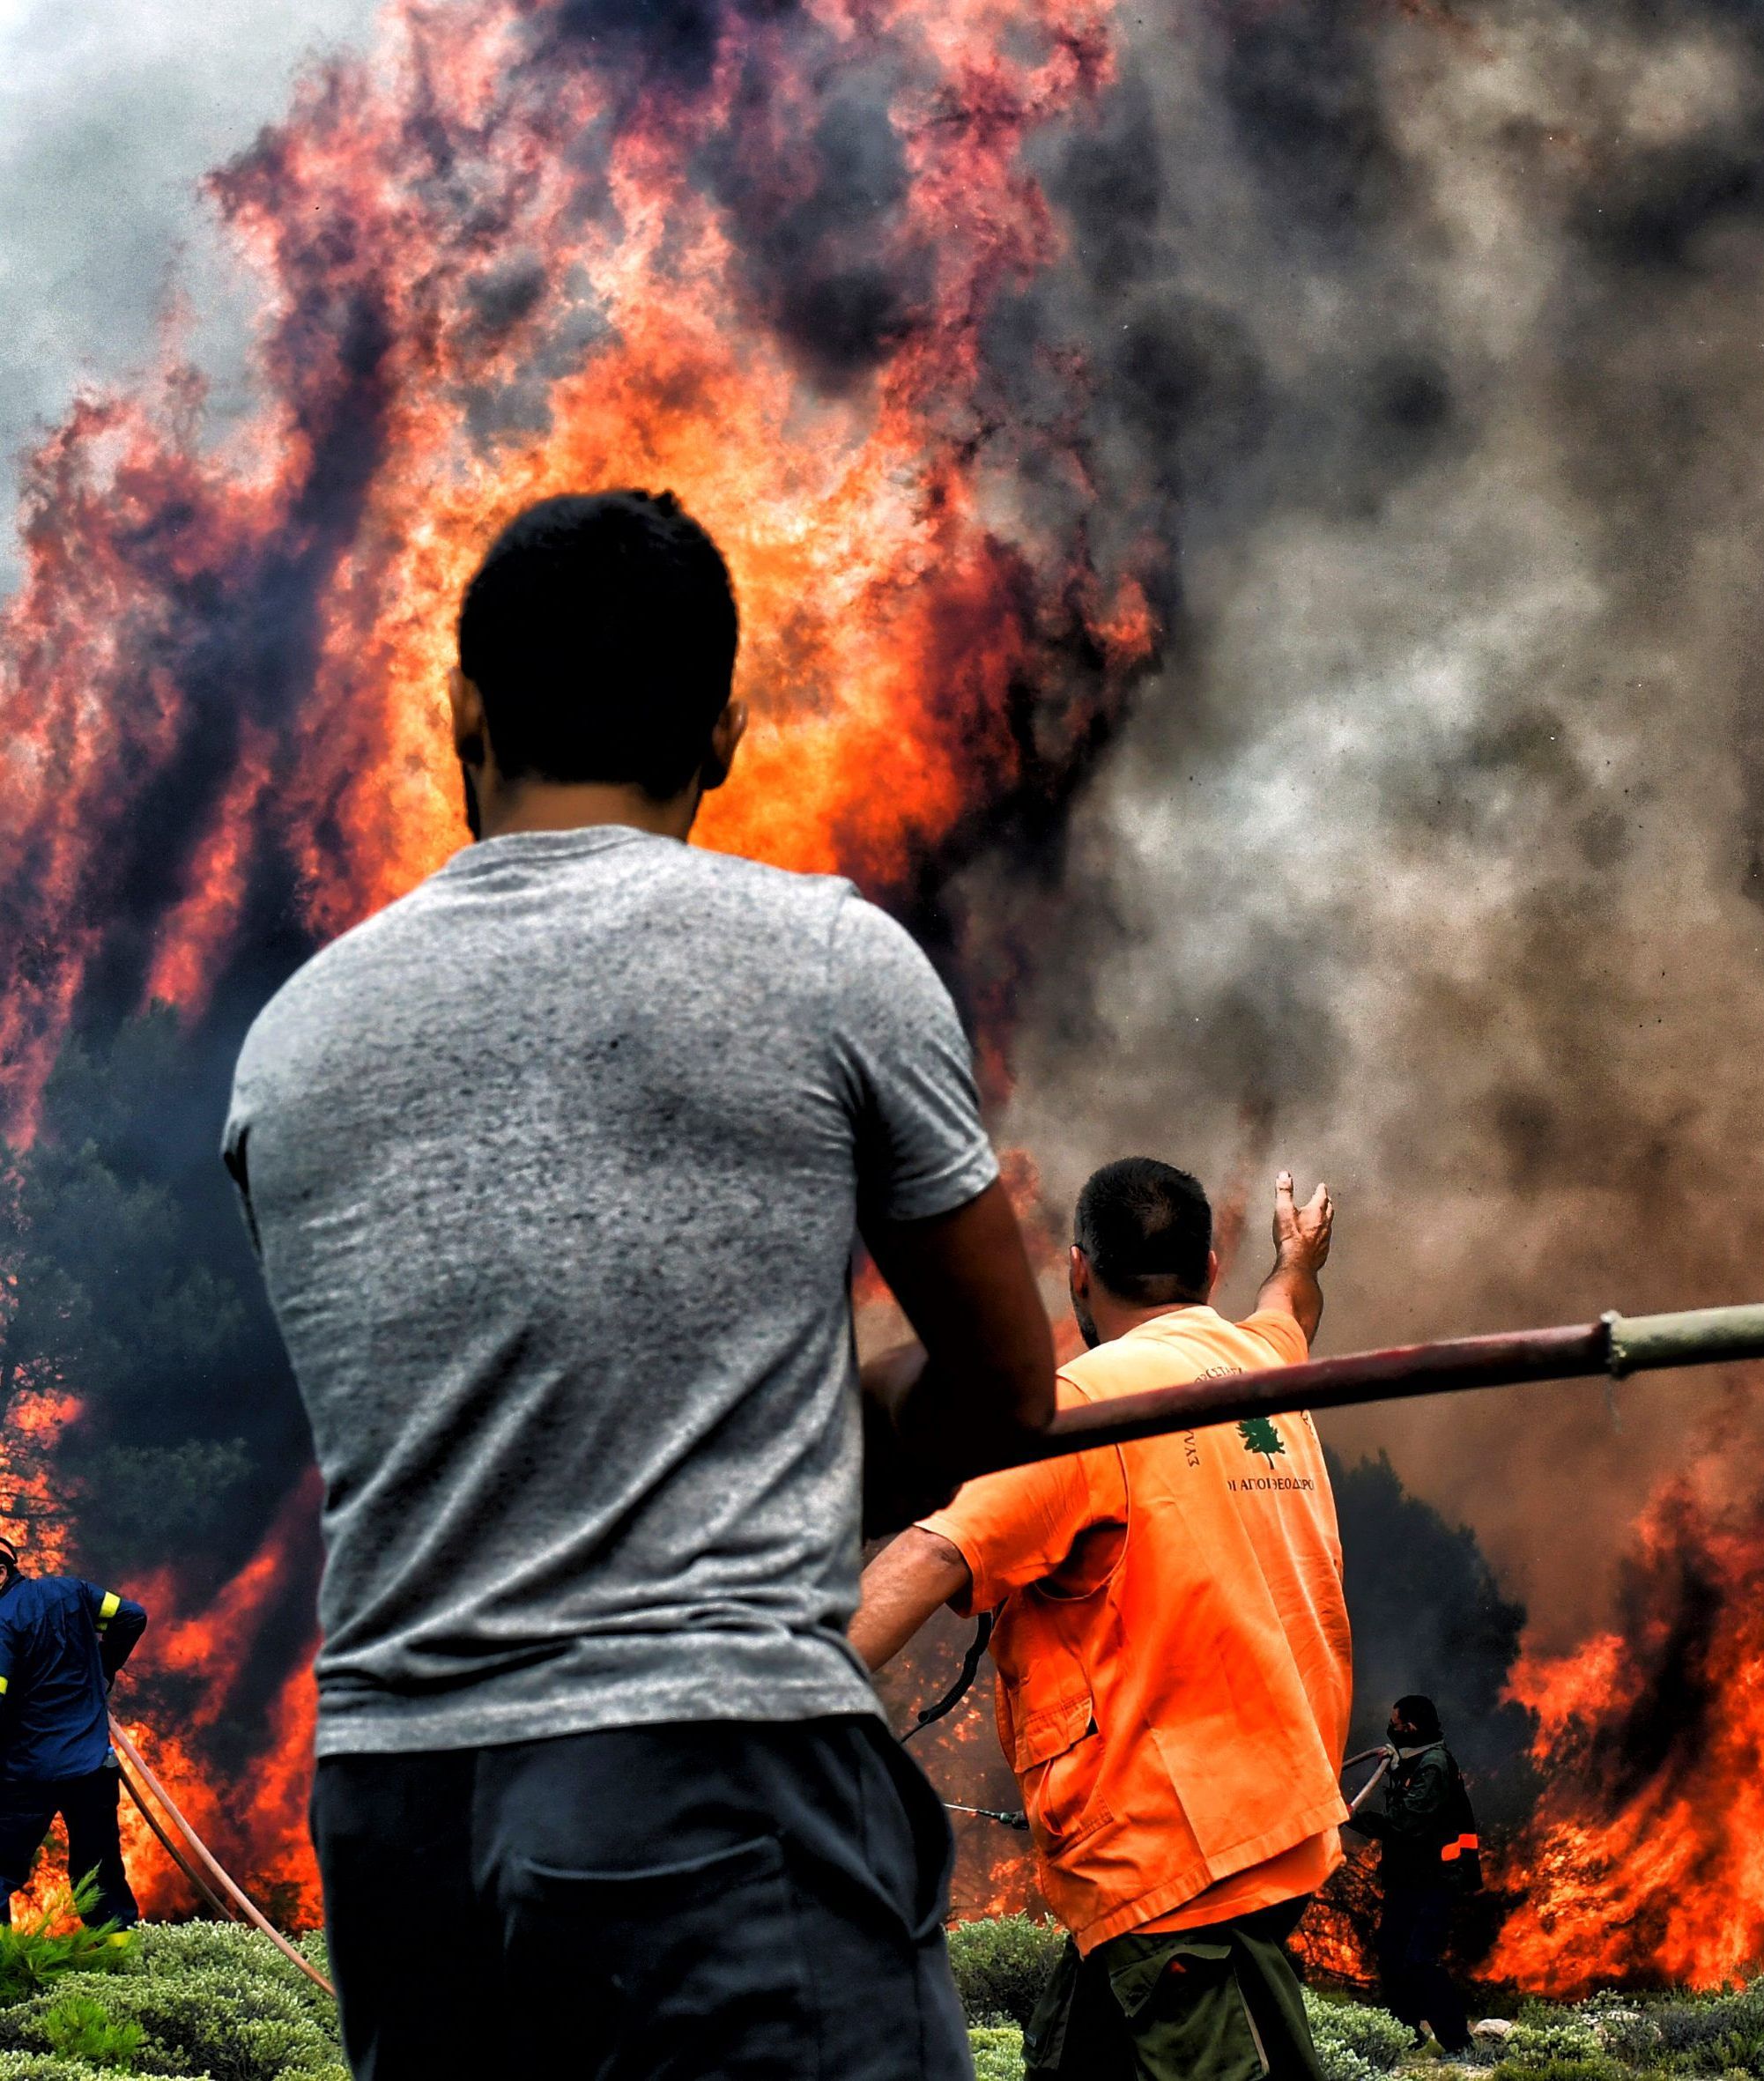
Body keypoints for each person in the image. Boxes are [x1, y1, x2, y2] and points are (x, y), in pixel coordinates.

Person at [221, 488, 1062, 2081]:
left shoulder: (291, 1043)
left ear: (464, 710)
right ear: (725, 730)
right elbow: (1010, 1393)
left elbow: (457, 1405)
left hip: (399, 1816)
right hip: (707, 1774)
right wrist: (829, 1429)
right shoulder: (828, 964)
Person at [852, 1157, 1347, 2081]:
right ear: (1208, 1268)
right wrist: (1296, 1255)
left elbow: (932, 1556)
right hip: (1256, 1828)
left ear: (1079, 1270)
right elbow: (1290, 1306)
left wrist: (773, 1716)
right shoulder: (1260, 1365)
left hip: (1176, 1863)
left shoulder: (1083, 1405)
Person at [0, 1541, 146, 1928]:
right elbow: (132, 1616)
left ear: (1, 1572)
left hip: (28, 1774)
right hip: (92, 1768)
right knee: (100, 1874)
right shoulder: (72, 1592)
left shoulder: (1, 1620)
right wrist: (104, 1669)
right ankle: (117, 1953)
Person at [1348, 1693, 1479, 2052]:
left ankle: (1459, 2044)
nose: (1391, 1729)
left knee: (1420, 1959)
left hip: (1435, 1879)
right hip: (1409, 1879)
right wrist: (1397, 1765)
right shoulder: (1418, 1759)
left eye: (1397, 1724)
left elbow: (1406, 1822)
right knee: (1391, 1952)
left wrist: (1352, 1816)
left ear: (1412, 1727)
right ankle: (1406, 2034)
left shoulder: (1434, 1766)